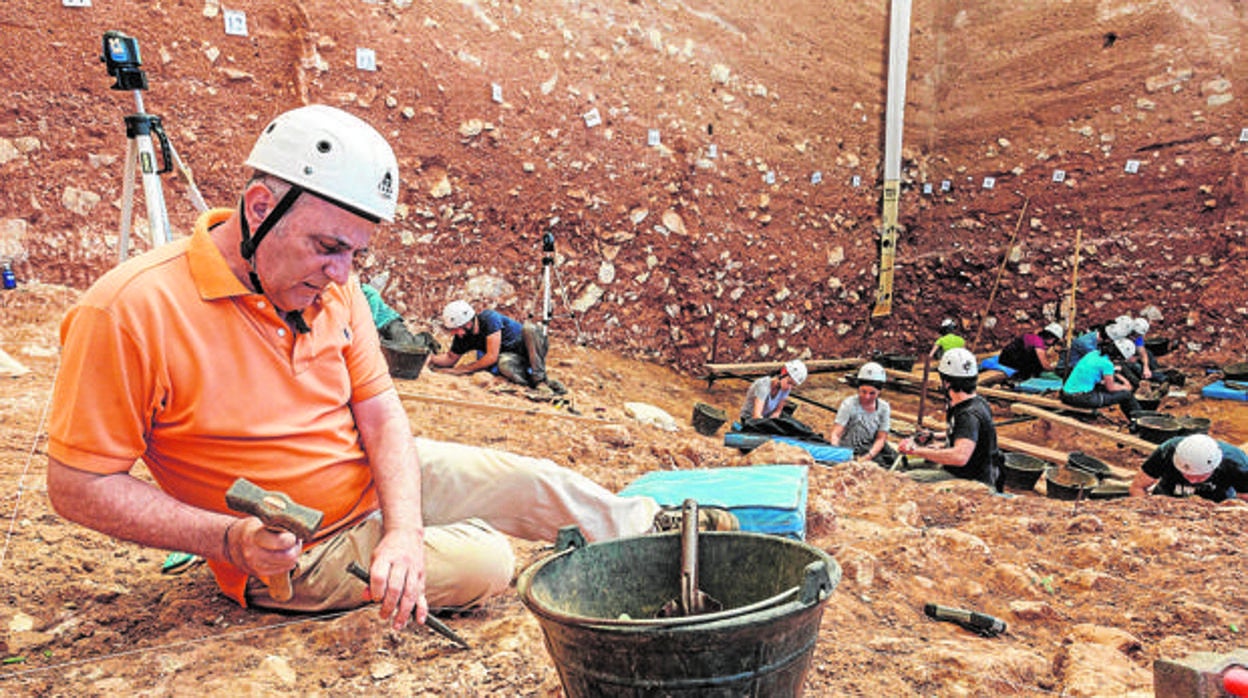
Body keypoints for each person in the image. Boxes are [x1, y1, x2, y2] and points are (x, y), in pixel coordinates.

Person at [45, 105, 726, 633]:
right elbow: (77, 485)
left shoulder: (334, 291)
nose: (341, 273)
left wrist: (401, 530)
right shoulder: (129, 311)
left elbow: (380, 412)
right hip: (291, 553)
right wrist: (228, 539)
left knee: (530, 478)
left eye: (356, 254)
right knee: (488, 560)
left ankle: (653, 532)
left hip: (367, 486)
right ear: (260, 208)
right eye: (327, 246)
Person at [898, 347, 1003, 491]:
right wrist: (933, 436)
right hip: (964, 471)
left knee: (902, 480)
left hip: (972, 481)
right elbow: (962, 433)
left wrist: (916, 450)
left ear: (947, 382)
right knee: (906, 466)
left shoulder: (968, 414)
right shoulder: (973, 402)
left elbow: (960, 457)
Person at [427, 300, 564, 393]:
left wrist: (462, 370)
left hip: (532, 348)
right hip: (514, 359)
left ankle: (540, 381)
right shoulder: (463, 336)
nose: (454, 333)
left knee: (530, 328)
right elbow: (450, 358)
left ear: (468, 323)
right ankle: (531, 384)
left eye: (456, 329)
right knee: (503, 363)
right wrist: (429, 359)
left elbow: (491, 357)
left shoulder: (489, 319)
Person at [1129, 434, 1248, 503]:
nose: (1192, 481)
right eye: (1186, 474)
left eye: (1200, 477)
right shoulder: (1166, 452)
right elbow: (1138, 487)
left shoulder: (1236, 463)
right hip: (1167, 500)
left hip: (1217, 505)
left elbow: (1244, 498)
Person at [829, 362, 897, 467]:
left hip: (869, 451)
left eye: (872, 393)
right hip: (848, 451)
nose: (866, 397)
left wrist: (867, 457)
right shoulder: (849, 404)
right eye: (863, 392)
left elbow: (881, 438)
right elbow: (836, 434)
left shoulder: (883, 408)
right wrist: (838, 453)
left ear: (879, 392)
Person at [1059, 335, 1142, 420]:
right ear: (1119, 356)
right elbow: (1111, 387)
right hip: (1080, 398)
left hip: (1065, 394)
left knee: (1108, 386)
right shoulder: (1107, 364)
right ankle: (1138, 420)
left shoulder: (1093, 354)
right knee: (1126, 395)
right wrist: (1125, 387)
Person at [979, 322, 1064, 386]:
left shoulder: (1033, 338)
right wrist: (1055, 369)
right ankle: (1017, 379)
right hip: (1010, 360)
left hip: (1007, 357)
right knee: (1036, 364)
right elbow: (1044, 364)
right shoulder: (1037, 342)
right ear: (1051, 338)